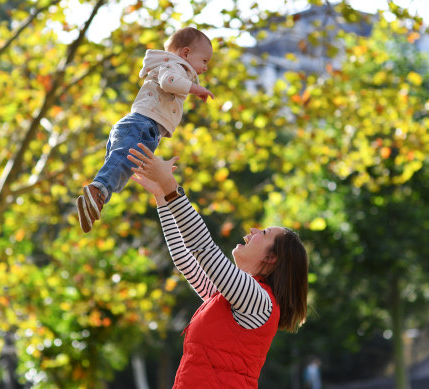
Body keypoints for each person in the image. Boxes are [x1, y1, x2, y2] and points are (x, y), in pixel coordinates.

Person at [127, 143, 309, 388]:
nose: (253, 231)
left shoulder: (259, 301)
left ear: (271, 258)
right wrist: (162, 197)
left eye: (263, 232)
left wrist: (171, 187)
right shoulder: (228, 298)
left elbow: (203, 247)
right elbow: (185, 259)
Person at [77, 27, 215, 233]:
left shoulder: (174, 66)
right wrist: (195, 88)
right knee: (122, 161)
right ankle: (98, 190)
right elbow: (168, 82)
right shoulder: (175, 65)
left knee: (121, 168)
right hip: (142, 125)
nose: (205, 68)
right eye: (204, 61)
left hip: (140, 126)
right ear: (186, 53)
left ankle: (96, 201)